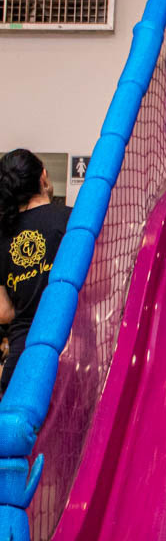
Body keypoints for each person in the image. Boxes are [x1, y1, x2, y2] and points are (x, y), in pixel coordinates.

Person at [0, 149, 71, 397]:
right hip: (67, 352)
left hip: (22, 359)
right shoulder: (71, 220)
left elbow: (4, 312)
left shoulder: (2, 236)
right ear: (43, 177)